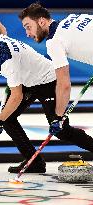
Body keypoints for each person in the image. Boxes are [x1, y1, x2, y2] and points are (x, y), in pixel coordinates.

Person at [0, 21, 93, 174]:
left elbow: (17, 96)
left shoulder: (7, 61)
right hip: (26, 80)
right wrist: (2, 119)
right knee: (8, 120)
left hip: (48, 80)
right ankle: (34, 162)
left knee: (61, 130)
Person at [19, 2, 93, 136]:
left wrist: (57, 118)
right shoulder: (72, 18)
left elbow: (64, 84)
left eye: (28, 27)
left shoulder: (54, 42)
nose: (27, 34)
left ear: (41, 21)